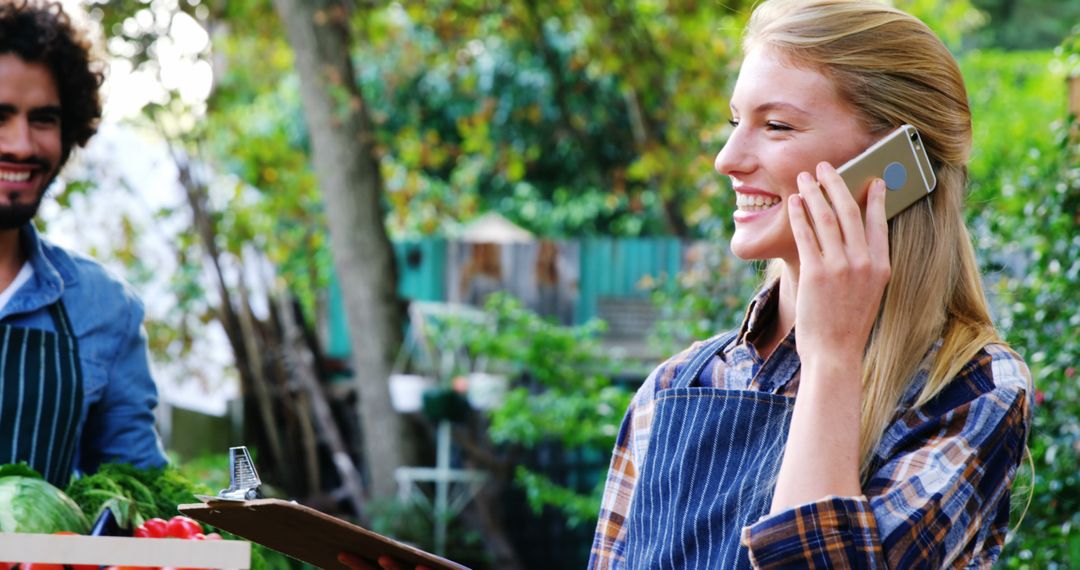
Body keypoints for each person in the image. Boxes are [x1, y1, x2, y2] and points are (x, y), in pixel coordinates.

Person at [589, 0, 1032, 568]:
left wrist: (832, 359)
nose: (727, 159)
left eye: (776, 126)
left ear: (895, 161)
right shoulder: (673, 386)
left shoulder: (971, 390)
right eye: (734, 121)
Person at [0, 0, 167, 487]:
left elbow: (138, 498)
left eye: (44, 119)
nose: (22, 145)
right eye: (1, 115)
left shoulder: (103, 308)